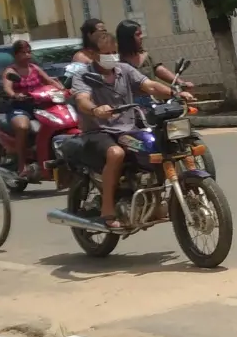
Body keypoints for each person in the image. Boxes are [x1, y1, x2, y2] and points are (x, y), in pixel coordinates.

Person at [72, 31, 193, 229]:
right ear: (92, 54)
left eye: (114, 52)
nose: (112, 57)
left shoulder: (124, 70)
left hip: (127, 129)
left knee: (155, 146)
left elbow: (150, 86)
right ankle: (107, 209)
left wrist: (176, 92)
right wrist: (95, 109)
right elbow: (81, 100)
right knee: (116, 153)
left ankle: (153, 198)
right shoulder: (83, 75)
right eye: (106, 53)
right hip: (98, 131)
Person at [1, 39, 63, 177]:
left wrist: (63, 89)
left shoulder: (34, 68)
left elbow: (49, 80)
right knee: (23, 127)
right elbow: (7, 88)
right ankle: (21, 164)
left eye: (29, 52)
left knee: (58, 121)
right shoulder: (11, 71)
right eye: (23, 53)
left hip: (38, 105)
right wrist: (15, 95)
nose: (27, 55)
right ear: (16, 55)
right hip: (19, 107)